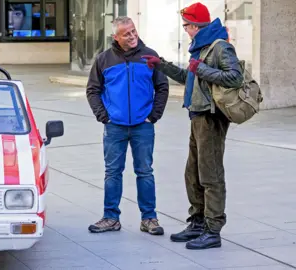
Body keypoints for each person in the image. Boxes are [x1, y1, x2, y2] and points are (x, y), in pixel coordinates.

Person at [142, 2, 244, 250]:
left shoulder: (220, 47)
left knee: (211, 176)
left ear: (196, 25)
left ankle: (212, 230)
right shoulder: (200, 48)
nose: (185, 29)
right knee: (193, 174)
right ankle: (197, 222)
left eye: (186, 25)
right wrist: (161, 65)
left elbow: (235, 77)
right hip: (197, 115)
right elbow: (190, 77)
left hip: (211, 117)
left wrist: (204, 69)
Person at [86, 16, 169, 235]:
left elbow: (162, 87)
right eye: (126, 33)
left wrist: (154, 116)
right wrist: (104, 116)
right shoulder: (104, 59)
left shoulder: (150, 56)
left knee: (145, 172)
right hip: (115, 127)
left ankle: (149, 218)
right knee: (112, 172)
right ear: (116, 37)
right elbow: (93, 90)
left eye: (133, 31)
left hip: (143, 126)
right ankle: (111, 217)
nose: (132, 36)